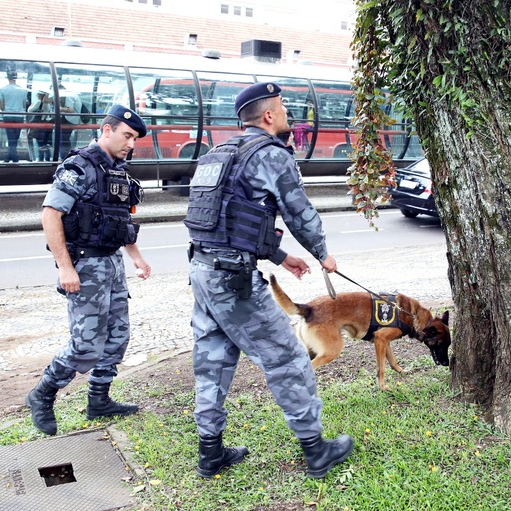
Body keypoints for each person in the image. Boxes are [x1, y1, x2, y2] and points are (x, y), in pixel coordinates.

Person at [185, 82, 353, 479]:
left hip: (204, 272)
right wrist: (322, 254)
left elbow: (226, 219)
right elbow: (299, 212)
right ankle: (316, 451)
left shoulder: (216, 154)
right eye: (282, 107)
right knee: (289, 360)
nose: (286, 113)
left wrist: (280, 256)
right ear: (268, 115)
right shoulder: (271, 155)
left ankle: (211, 453)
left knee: (213, 361)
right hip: (236, 281)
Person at [26, 105, 151, 436]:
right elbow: (50, 215)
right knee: (85, 343)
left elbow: (120, 220)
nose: (131, 144)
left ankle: (99, 400)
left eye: (135, 138)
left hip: (112, 263)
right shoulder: (78, 168)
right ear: (107, 131)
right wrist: (66, 268)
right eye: (127, 136)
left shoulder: (119, 172)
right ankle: (42, 394)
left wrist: (136, 256)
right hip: (85, 265)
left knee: (117, 335)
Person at [0, 70, 29, 162]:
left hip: (8, 115)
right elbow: (24, 105)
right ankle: (13, 157)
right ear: (16, 78)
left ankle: (10, 157)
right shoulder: (23, 90)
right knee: (15, 137)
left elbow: (2, 106)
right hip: (19, 116)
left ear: (7, 78)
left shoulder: (2, 89)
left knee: (10, 137)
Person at [57, 83, 83, 159]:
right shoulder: (74, 95)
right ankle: (66, 156)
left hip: (69, 120)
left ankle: (64, 157)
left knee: (63, 140)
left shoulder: (68, 96)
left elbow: (70, 109)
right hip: (73, 120)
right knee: (65, 139)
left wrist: (60, 108)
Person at [27, 90, 54, 161]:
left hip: (39, 126)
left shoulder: (39, 102)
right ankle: (47, 158)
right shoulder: (47, 104)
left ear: (41, 95)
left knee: (39, 144)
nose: (37, 96)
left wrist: (31, 105)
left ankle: (40, 158)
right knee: (45, 144)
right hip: (45, 125)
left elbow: (29, 110)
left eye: (38, 94)